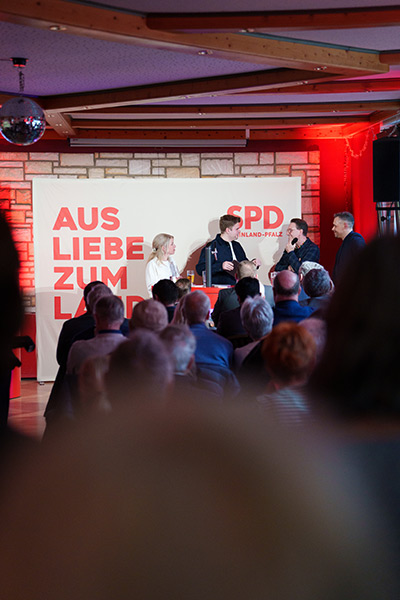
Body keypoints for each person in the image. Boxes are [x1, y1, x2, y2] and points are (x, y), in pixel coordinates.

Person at [196, 214, 260, 285]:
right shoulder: (211, 247)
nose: (239, 231)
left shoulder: (237, 245)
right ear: (228, 230)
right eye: (237, 229)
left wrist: (252, 264)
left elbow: (244, 265)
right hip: (220, 288)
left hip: (240, 287)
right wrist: (220, 266)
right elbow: (200, 269)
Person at [331, 211, 366, 284]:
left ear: (345, 225)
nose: (333, 229)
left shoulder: (356, 240)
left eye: (335, 226)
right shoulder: (348, 241)